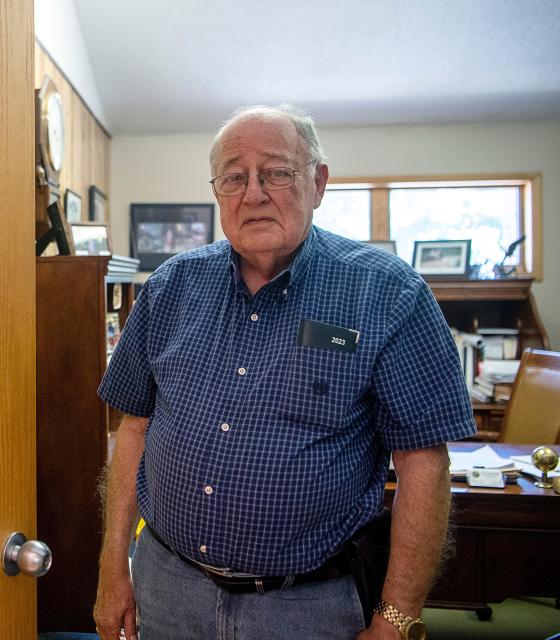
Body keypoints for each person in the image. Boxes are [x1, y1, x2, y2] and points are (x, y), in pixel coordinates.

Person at [93, 104, 475, 640]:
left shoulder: (390, 294)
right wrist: (113, 566)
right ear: (218, 191)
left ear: (318, 182)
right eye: (234, 176)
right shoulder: (167, 290)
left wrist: (397, 617)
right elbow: (134, 428)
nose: (254, 193)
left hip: (309, 605)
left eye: (276, 172)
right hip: (168, 586)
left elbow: (423, 462)